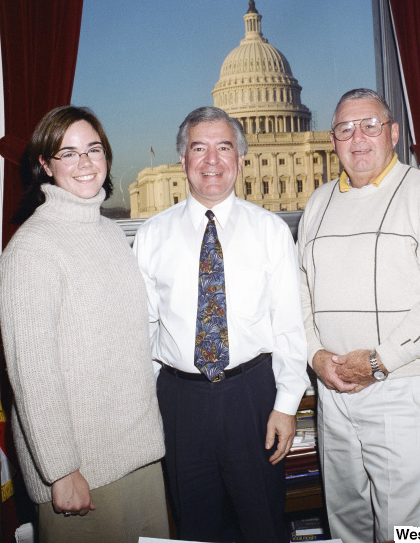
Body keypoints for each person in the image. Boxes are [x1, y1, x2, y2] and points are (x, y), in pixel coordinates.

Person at [298, 89, 420, 540]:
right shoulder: (317, 204)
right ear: (332, 140)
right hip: (335, 390)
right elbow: (298, 291)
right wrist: (316, 356)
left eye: (369, 125)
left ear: (393, 134)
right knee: (347, 525)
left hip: (405, 388)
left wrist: (378, 362)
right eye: (344, 129)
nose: (357, 137)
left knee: (404, 529)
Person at [133, 106, 309, 542]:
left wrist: (286, 405)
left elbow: (288, 325)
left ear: (241, 159)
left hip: (252, 396)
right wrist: (160, 397)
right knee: (195, 528)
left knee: (262, 525)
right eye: (199, 148)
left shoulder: (270, 231)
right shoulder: (152, 235)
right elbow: (143, 329)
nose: (212, 160)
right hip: (180, 401)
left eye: (224, 147)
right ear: (183, 160)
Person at [0, 106, 168, 542]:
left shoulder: (110, 233)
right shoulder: (32, 250)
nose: (85, 162)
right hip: (82, 471)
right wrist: (61, 469)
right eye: (68, 153)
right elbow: (33, 374)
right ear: (44, 165)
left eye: (93, 149)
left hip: (139, 455)